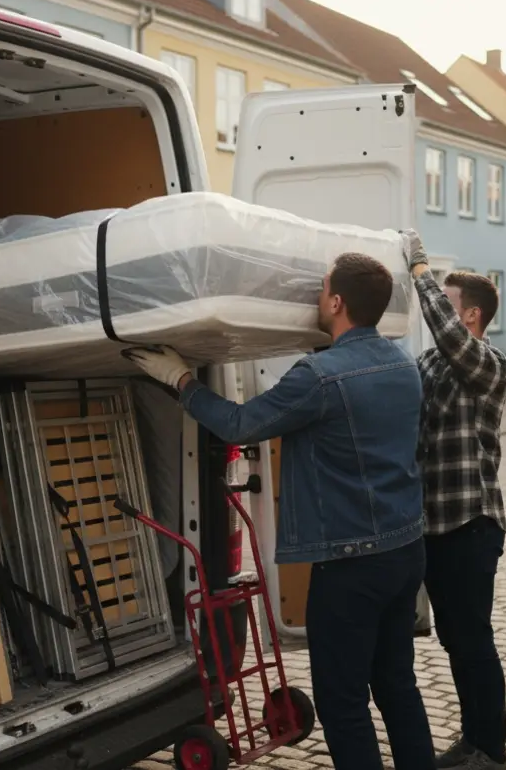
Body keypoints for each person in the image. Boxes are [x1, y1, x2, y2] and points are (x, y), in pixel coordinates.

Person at [125, 252, 434, 770]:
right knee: (398, 685)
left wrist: (180, 379)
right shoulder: (405, 365)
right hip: (405, 551)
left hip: (351, 566)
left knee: (342, 701)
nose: (316, 297)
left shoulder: (319, 376)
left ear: (336, 302)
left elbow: (241, 423)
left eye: (322, 290)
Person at [402, 233, 506, 770]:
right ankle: (472, 740)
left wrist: (420, 269)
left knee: (473, 640)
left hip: (472, 525)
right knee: (454, 641)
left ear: (469, 315)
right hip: (433, 526)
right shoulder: (429, 364)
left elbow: (445, 332)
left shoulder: (488, 364)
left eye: (447, 304)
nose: (438, 314)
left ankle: (491, 750)